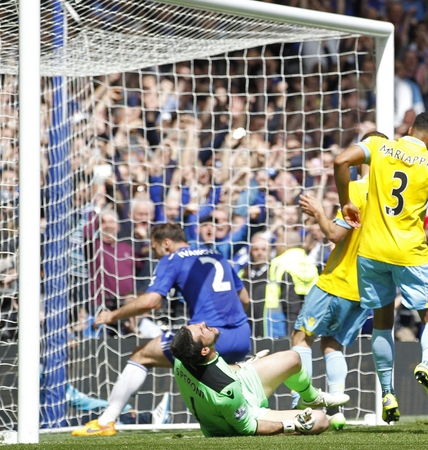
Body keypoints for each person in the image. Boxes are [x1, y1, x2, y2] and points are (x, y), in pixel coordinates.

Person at [333, 111, 428, 422]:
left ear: (409, 129)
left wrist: (345, 202)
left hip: (371, 251)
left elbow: (340, 161)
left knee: (382, 321)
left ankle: (388, 393)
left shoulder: (379, 147)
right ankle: (427, 365)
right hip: (410, 253)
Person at [72, 223, 253, 436]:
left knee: (141, 355)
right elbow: (246, 300)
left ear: (166, 243)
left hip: (208, 338)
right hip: (242, 336)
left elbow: (151, 302)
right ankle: (243, 417)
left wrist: (112, 315)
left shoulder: (173, 259)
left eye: (155, 249)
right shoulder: (217, 255)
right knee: (219, 375)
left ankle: (105, 422)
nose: (156, 256)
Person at [289, 131, 388, 417]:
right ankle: (337, 410)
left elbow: (335, 234)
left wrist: (319, 211)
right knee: (332, 344)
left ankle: (303, 403)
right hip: (366, 290)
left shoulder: (358, 189)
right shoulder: (394, 200)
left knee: (301, 337)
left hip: (337, 281)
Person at [170, 323, 348, 437]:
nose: (203, 324)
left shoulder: (182, 358)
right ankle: (307, 416)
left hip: (240, 384)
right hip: (246, 416)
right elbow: (248, 428)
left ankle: (310, 398)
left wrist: (246, 365)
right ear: (204, 351)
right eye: (201, 330)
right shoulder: (225, 391)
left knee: (292, 358)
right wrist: (288, 426)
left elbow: (218, 370)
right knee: (320, 420)